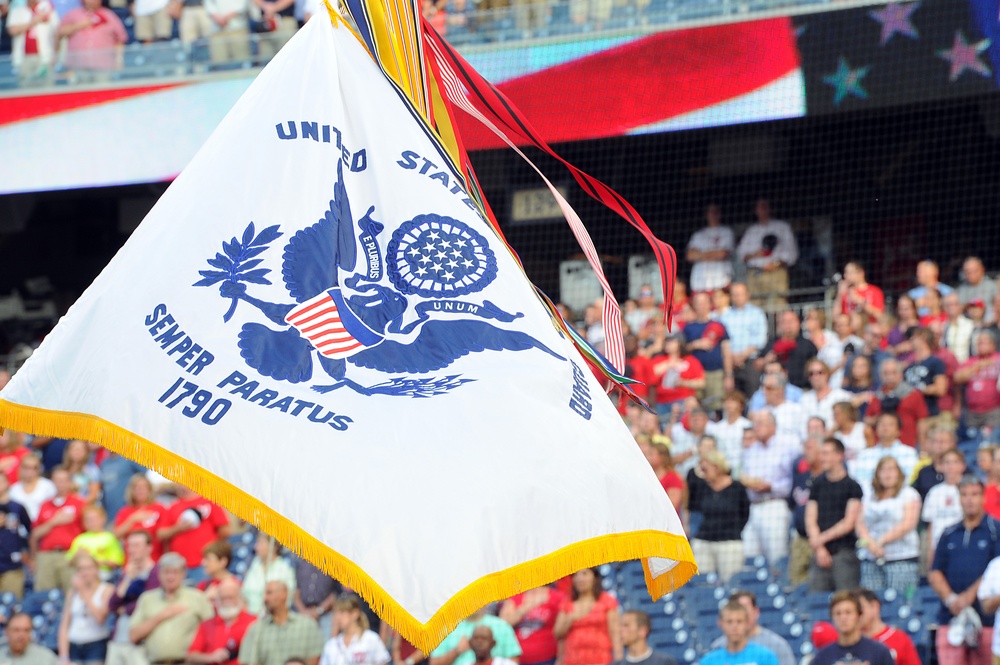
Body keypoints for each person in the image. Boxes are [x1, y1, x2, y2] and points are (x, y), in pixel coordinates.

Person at [929, 476, 1000, 665]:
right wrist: (952, 599)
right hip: (950, 617)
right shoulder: (949, 532)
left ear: (984, 497)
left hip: (987, 619)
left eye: (975, 494)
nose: (970, 499)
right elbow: (935, 571)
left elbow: (995, 570)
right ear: (959, 498)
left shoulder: (996, 530)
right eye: (965, 494)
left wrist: (969, 596)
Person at [130, 552, 214, 662]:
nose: (171, 577)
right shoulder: (147, 599)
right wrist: (161, 616)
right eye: (166, 572)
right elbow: (133, 636)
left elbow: (213, 632)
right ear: (159, 574)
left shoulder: (197, 597)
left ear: (183, 574)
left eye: (175, 572)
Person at [855, 457, 921, 594]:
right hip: (870, 557)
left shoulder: (909, 494)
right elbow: (860, 525)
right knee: (870, 599)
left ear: (899, 473)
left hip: (902, 558)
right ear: (877, 474)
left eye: (891, 469)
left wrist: (880, 541)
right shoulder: (869, 497)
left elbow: (908, 523)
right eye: (883, 470)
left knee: (901, 601)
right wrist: (870, 544)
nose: (887, 474)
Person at [741, 411, 797, 569]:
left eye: (760, 424)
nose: (756, 428)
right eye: (755, 424)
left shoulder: (786, 447)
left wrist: (771, 486)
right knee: (750, 555)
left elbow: (792, 481)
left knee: (776, 556)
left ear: (773, 426)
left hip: (775, 504)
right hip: (753, 506)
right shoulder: (751, 450)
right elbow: (745, 475)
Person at [805, 439, 863, 592]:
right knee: (816, 602)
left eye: (827, 453)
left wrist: (819, 540)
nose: (822, 458)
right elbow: (810, 519)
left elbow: (849, 522)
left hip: (844, 553)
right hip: (819, 554)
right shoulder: (816, 485)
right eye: (821, 454)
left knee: (847, 598)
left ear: (839, 455)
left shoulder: (852, 486)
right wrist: (820, 549)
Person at [688, 450, 749, 582]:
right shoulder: (703, 487)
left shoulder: (737, 488)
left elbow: (745, 514)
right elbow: (692, 505)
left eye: (705, 469)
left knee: (731, 582)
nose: (703, 473)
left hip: (729, 542)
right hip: (704, 540)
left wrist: (733, 530)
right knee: (702, 583)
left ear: (716, 467)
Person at [238, 580, 324, 665]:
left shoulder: (307, 626)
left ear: (284, 594)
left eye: (269, 593)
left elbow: (314, 660)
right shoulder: (256, 630)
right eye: (264, 594)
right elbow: (247, 662)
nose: (265, 598)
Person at [107, 530, 160, 665]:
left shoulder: (156, 572)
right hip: (118, 638)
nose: (131, 550)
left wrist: (124, 609)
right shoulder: (126, 573)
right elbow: (112, 604)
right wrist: (128, 578)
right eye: (129, 546)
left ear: (149, 548)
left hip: (140, 641)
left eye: (136, 545)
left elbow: (148, 602)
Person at [31, 466, 86, 592]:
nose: (61, 483)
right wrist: (54, 521)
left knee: (72, 593)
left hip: (70, 555)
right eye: (57, 480)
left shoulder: (80, 504)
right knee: (43, 595)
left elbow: (89, 531)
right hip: (46, 556)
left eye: (64, 480)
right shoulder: (45, 505)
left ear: (69, 482)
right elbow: (35, 534)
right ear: (53, 482)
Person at [736, 198, 798, 306]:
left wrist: (776, 264)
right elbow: (741, 255)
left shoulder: (782, 227)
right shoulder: (751, 231)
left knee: (777, 306)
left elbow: (792, 254)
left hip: (777, 273)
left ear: (770, 208)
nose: (763, 209)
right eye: (760, 207)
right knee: (755, 306)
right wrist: (755, 254)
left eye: (765, 206)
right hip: (755, 274)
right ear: (756, 210)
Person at [553, 568, 621, 665]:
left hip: (601, 660)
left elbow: (615, 634)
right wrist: (570, 619)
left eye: (584, 574)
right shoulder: (567, 602)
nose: (579, 579)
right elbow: (557, 634)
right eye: (576, 575)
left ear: (594, 577)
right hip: (572, 660)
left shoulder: (607, 601)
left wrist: (619, 659)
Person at [157, 486, 232, 570]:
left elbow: (225, 530)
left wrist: (211, 547)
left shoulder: (209, 502)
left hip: (204, 563)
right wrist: (178, 528)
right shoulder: (173, 506)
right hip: (179, 566)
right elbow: (161, 534)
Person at [57, 551, 113, 665]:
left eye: (89, 568)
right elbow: (64, 625)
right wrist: (63, 655)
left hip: (95, 645)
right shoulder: (72, 593)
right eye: (81, 569)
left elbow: (100, 618)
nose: (85, 572)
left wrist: (84, 592)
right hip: (74, 645)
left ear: (96, 569)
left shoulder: (106, 589)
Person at [708, 591, 793, 665]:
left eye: (744, 608)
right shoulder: (718, 647)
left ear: (756, 612)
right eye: (735, 608)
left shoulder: (776, 645)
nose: (739, 612)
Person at [188, 577, 257, 665]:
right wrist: (211, 657)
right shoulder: (206, 625)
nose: (227, 602)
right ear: (216, 601)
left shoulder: (253, 622)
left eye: (230, 597)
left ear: (240, 598)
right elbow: (191, 656)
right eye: (223, 598)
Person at [681, 293, 733, 409]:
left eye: (704, 302)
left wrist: (728, 375)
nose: (702, 306)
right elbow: (681, 351)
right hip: (694, 375)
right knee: (694, 408)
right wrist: (695, 344)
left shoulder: (718, 325)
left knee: (716, 406)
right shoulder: (688, 328)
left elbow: (726, 352)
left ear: (710, 304)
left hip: (715, 373)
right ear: (694, 306)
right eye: (698, 303)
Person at [812, 591, 893, 665]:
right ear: (832, 618)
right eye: (838, 613)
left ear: (859, 616)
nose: (843, 618)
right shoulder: (822, 657)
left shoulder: (879, 652)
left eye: (848, 612)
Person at [852, 413, 919, 498]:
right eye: (882, 424)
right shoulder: (864, 455)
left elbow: (909, 481)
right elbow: (860, 482)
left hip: (901, 501)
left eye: (890, 424)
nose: (885, 427)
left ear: (899, 431)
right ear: (876, 430)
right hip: (870, 501)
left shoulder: (909, 453)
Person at [865, 359, 928, 448]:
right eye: (886, 373)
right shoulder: (877, 396)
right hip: (881, 446)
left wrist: (923, 446)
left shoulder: (913, 394)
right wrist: (879, 419)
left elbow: (922, 421)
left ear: (900, 375)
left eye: (894, 373)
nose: (890, 377)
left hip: (907, 444)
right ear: (881, 376)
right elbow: (867, 419)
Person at [57, 0, 128, 76]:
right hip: (78, 66)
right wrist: (77, 25)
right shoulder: (73, 14)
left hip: (103, 66)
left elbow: (121, 39)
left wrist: (119, 60)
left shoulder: (109, 15)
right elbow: (60, 33)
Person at [719, 283, 767, 395]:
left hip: (750, 361)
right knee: (731, 396)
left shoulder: (757, 313)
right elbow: (723, 339)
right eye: (734, 294)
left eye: (740, 294)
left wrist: (743, 355)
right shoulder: (725, 316)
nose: (737, 297)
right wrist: (732, 357)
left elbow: (761, 339)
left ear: (747, 295)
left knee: (753, 394)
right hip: (729, 362)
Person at [431, 606, 522, 665]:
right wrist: (456, 651)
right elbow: (434, 663)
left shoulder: (501, 626)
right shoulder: (448, 629)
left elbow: (513, 660)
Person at [789, 434, 824, 586]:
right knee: (796, 583)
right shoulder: (801, 477)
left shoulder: (828, 479)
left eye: (809, 448)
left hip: (822, 541)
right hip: (801, 539)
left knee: (818, 585)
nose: (805, 453)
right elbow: (792, 502)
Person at [499, 585, 564, 665]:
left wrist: (561, 659)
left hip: (547, 659)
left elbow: (562, 632)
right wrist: (527, 607)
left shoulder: (556, 597)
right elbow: (502, 623)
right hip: (517, 658)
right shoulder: (516, 597)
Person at [319, 594, 390, 665]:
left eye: (342, 612)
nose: (338, 617)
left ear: (355, 613)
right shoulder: (331, 645)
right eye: (336, 613)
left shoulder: (371, 640)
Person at [923, 449, 968, 561]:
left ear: (963, 466)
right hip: (939, 547)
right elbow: (930, 525)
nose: (951, 466)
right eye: (947, 462)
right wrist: (930, 552)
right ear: (941, 466)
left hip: (963, 547)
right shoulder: (934, 492)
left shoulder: (970, 490)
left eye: (955, 462)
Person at [856, 588, 920, 665]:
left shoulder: (900, 638)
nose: (857, 614)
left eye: (860, 608)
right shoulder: (849, 640)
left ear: (875, 606)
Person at [755, 311, 817, 389]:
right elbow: (757, 364)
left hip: (802, 388)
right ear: (779, 325)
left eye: (791, 321)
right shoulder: (772, 343)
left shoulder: (807, 345)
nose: (788, 325)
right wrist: (766, 360)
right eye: (784, 322)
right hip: (776, 389)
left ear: (798, 323)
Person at [649, 335, 704, 422]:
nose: (668, 344)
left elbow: (701, 383)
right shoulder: (658, 359)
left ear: (680, 343)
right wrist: (669, 363)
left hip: (683, 400)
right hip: (662, 401)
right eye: (666, 342)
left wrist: (683, 383)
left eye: (671, 342)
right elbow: (653, 374)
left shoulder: (690, 360)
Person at [113, 474, 167, 560]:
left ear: (149, 490)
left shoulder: (159, 508)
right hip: (131, 562)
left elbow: (163, 534)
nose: (140, 490)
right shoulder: (125, 511)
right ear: (131, 491)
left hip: (154, 560)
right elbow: (116, 535)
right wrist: (132, 519)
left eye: (144, 487)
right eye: (136, 487)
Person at [955, 329, 1000, 430]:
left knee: (992, 442)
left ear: (992, 344)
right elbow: (957, 378)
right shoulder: (971, 361)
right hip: (972, 411)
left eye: (983, 342)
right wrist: (978, 366)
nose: (979, 345)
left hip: (994, 410)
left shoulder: (998, 359)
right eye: (978, 343)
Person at [242, 533, 296, 616]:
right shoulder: (254, 566)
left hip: (274, 618)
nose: (256, 547)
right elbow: (244, 595)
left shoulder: (284, 569)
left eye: (261, 543)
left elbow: (287, 599)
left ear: (273, 547)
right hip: (251, 617)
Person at [5, 0, 58, 81]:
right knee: (26, 88)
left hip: (44, 57)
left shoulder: (47, 10)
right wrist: (33, 22)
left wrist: (55, 54)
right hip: (24, 58)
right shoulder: (17, 11)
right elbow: (12, 31)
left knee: (46, 87)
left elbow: (56, 32)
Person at [66, 505, 124, 578]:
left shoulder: (109, 538)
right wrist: (76, 556)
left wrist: (97, 562)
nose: (92, 522)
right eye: (88, 519)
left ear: (103, 519)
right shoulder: (79, 539)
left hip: (103, 573)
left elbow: (118, 561)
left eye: (94, 519)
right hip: (82, 573)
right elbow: (69, 562)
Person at [686, 204, 734, 293]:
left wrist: (700, 254)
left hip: (721, 282)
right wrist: (713, 254)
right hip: (700, 283)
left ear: (719, 214)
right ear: (707, 214)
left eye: (715, 211)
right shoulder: (698, 235)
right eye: (710, 212)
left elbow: (722, 254)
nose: (713, 214)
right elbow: (690, 255)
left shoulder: (726, 232)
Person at [904, 327, 949, 416]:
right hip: (911, 413)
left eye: (914, 337)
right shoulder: (910, 365)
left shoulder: (935, 362)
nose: (911, 340)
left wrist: (918, 390)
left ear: (923, 338)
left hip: (928, 411)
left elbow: (941, 388)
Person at [0, 470, 31, 599]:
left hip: (12, 565)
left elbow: (30, 531)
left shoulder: (17, 507)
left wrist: (27, 554)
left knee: (12, 605)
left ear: (8, 483)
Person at [293, 557, 340, 642]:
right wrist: (303, 611)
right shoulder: (302, 563)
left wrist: (319, 610)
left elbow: (336, 593)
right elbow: (296, 592)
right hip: (303, 613)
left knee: (327, 645)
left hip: (325, 613)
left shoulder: (333, 564)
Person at [707, 392, 751, 477]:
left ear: (741, 406)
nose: (729, 404)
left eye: (733, 401)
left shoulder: (747, 425)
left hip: (742, 469)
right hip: (721, 470)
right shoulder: (717, 427)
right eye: (726, 401)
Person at [800, 359, 852, 430]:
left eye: (820, 372)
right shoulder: (804, 399)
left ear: (827, 374)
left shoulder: (842, 396)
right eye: (811, 373)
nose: (815, 377)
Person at [639, 437, 684, 515]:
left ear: (662, 457)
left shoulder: (672, 478)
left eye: (651, 454)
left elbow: (673, 505)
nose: (647, 457)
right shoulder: (645, 476)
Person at [611, 611, 675, 665]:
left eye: (626, 625)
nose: (620, 630)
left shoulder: (664, 662)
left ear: (642, 631)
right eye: (620, 625)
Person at [761, 373, 808, 443]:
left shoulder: (796, 410)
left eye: (769, 388)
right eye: (763, 388)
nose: (764, 392)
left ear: (780, 390)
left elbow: (805, 437)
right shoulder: (762, 412)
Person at [10, 452, 55, 522]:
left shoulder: (48, 486)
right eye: (26, 467)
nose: (30, 471)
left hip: (43, 525)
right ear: (20, 468)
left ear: (39, 469)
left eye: (34, 468)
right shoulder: (13, 489)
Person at [830, 402, 871, 472]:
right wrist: (832, 431)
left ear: (846, 414)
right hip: (843, 471)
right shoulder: (835, 434)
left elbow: (872, 451)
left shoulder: (863, 429)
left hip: (863, 469)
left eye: (837, 414)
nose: (834, 417)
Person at [668, 407, 708, 478]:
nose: (696, 421)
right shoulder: (680, 437)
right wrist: (693, 451)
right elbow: (672, 460)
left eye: (699, 419)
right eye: (693, 419)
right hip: (683, 478)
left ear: (706, 421)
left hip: (705, 480)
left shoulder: (711, 438)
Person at [62, 439, 101, 504]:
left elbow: (94, 495)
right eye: (75, 449)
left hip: (86, 508)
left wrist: (78, 505)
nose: (78, 452)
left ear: (86, 452)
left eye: (81, 449)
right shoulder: (63, 470)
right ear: (68, 451)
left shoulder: (92, 470)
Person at [959, 258, 998, 322]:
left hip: (989, 323)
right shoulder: (961, 290)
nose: (971, 274)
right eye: (967, 272)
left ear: (982, 269)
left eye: (974, 271)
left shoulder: (992, 287)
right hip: (968, 324)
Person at [943, 293, 976, 364]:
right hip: (948, 367)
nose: (951, 307)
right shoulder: (942, 327)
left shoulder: (970, 325)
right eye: (948, 305)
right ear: (944, 308)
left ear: (961, 306)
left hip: (966, 366)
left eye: (955, 304)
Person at [886, 296, 921, 362]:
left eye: (907, 309)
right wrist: (897, 349)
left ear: (914, 309)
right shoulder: (894, 330)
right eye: (901, 309)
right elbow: (888, 348)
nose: (904, 312)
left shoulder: (921, 328)